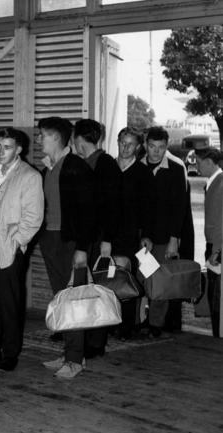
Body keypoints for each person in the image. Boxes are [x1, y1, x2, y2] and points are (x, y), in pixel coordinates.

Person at [0, 128, 44, 373]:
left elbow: (34, 217)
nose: (0, 151)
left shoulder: (30, 176)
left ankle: (10, 352)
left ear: (18, 150)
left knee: (9, 302)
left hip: (10, 248)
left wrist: (17, 241)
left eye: (6, 147)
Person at [37, 117, 95, 379]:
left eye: (42, 136)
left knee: (74, 302)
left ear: (56, 138)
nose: (39, 140)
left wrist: (82, 249)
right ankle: (69, 352)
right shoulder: (51, 166)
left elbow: (88, 213)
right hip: (51, 238)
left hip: (70, 242)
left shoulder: (76, 167)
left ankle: (75, 360)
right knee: (61, 300)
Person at [72, 119, 121, 357]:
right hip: (88, 236)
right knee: (86, 287)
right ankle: (86, 338)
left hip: (100, 237)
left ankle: (96, 343)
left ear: (79, 140)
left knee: (98, 288)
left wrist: (107, 240)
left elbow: (113, 207)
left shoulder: (105, 164)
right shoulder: (86, 163)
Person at [139, 126, 189, 338]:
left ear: (166, 147)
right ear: (145, 145)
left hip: (163, 237)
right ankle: (140, 320)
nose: (156, 151)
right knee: (142, 279)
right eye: (152, 147)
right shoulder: (137, 167)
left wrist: (173, 239)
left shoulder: (176, 169)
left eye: (160, 147)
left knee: (159, 282)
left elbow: (180, 208)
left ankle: (155, 325)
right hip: (141, 237)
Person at [113, 127, 153, 339]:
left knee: (127, 280)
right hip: (109, 234)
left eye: (130, 144)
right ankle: (109, 321)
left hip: (131, 235)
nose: (125, 147)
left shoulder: (142, 173)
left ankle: (127, 326)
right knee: (108, 277)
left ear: (138, 147)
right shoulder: (109, 167)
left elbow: (148, 207)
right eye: (122, 142)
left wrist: (146, 235)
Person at [194, 147, 223, 338]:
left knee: (216, 296)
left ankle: (218, 335)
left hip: (217, 247)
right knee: (213, 294)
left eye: (198, 161)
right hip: (213, 245)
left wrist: (217, 251)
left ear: (209, 162)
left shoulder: (220, 184)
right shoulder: (215, 182)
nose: (195, 165)